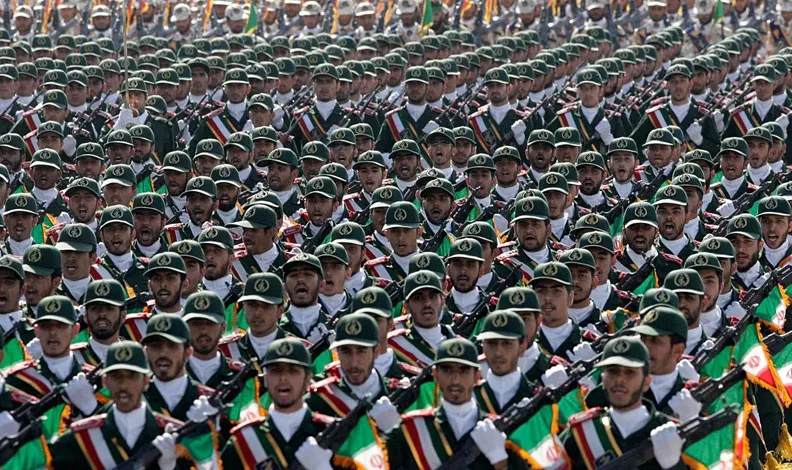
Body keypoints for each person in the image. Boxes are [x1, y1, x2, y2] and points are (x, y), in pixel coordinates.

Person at [561, 336, 686, 469]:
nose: (619, 379)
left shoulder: (674, 433)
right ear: (602, 378)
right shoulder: (582, 432)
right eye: (612, 371)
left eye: (630, 372)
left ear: (646, 382)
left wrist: (674, 465)